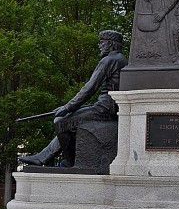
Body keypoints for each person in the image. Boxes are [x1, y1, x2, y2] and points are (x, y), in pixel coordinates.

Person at [19, 30, 127, 167]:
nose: (99, 46)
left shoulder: (108, 60)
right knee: (67, 120)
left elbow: (89, 88)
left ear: (110, 44)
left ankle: (70, 162)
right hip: (110, 106)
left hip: (105, 108)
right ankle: (43, 156)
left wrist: (68, 107)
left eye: (102, 43)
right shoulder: (122, 59)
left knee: (60, 121)